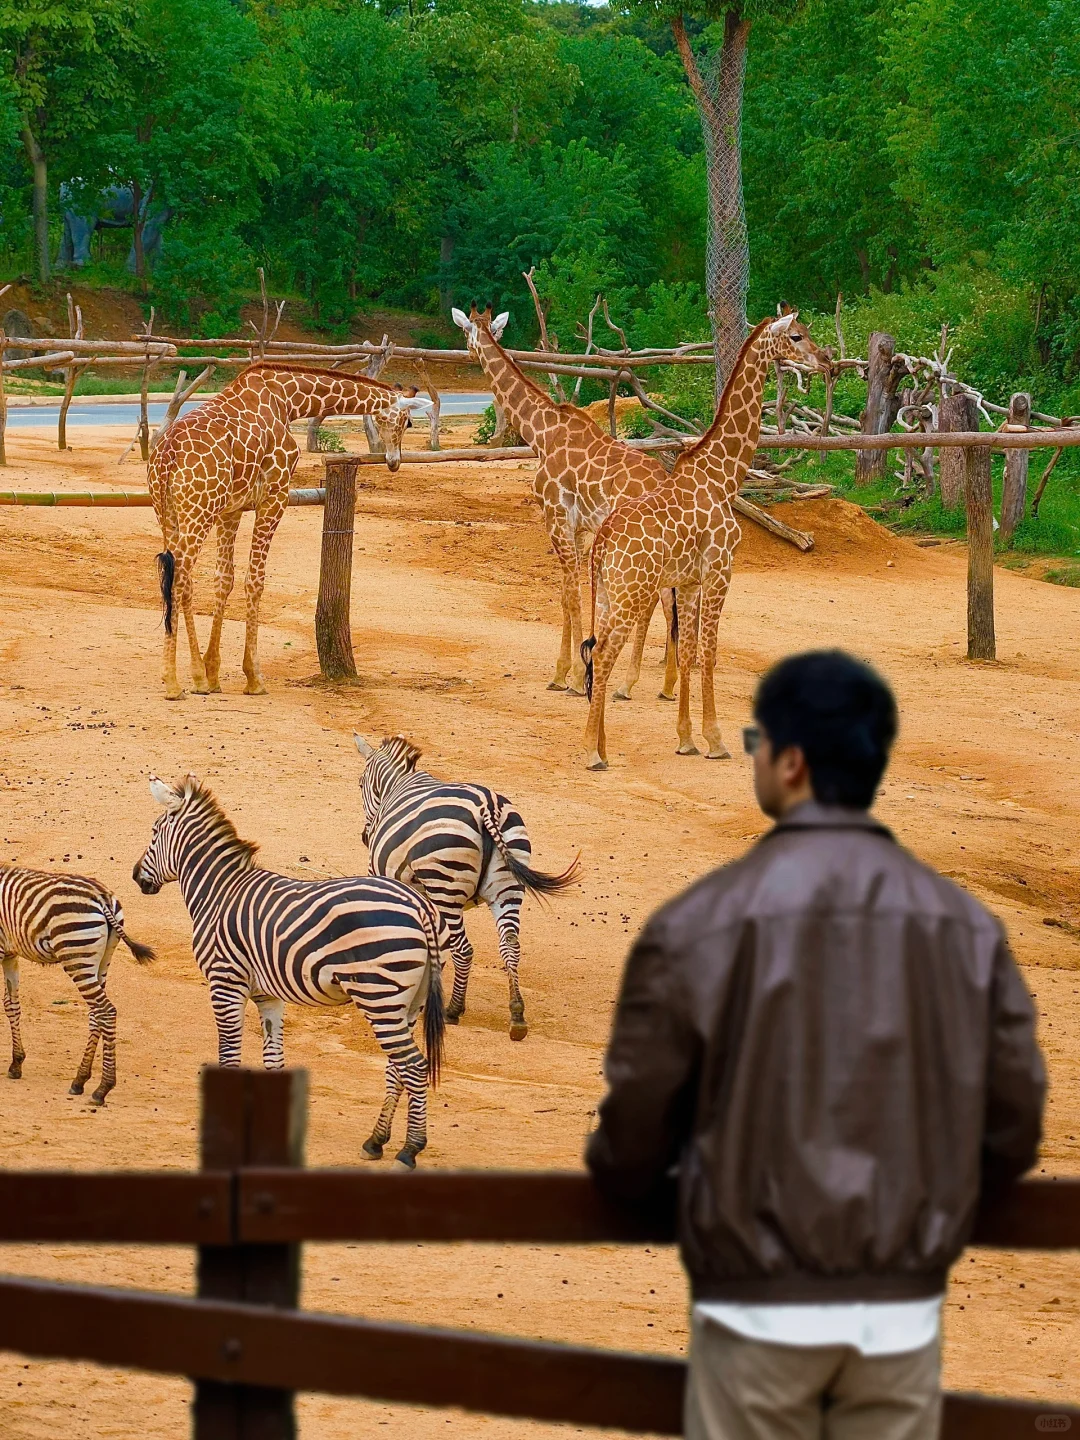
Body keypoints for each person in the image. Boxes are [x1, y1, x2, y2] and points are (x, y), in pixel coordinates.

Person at [586, 649, 1045, 1440]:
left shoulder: (698, 924)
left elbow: (634, 1128)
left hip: (754, 1308)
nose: (753, 753)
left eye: (756, 739)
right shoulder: (966, 928)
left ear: (791, 762)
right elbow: (1014, 1122)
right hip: (899, 1315)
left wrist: (658, 1188)